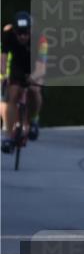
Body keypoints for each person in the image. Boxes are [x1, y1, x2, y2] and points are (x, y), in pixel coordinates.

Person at [1, 11, 47, 153]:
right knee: (12, 95)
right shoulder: (8, 36)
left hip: (34, 65)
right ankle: (9, 137)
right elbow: (2, 59)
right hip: (18, 66)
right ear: (14, 31)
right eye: (19, 33)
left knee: (34, 90)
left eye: (25, 33)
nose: (23, 36)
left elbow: (41, 65)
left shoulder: (40, 39)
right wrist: (3, 76)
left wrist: (35, 78)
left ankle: (33, 119)